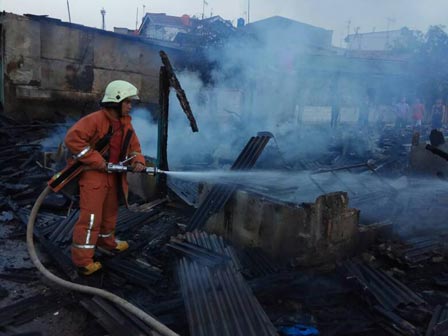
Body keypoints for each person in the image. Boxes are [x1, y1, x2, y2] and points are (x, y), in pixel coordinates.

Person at [64, 80, 146, 275]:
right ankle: (83, 260)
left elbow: (134, 147)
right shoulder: (95, 120)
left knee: (109, 213)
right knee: (91, 218)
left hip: (114, 175)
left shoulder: (126, 125)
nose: (130, 106)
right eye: (127, 102)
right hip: (94, 176)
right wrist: (96, 160)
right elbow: (73, 139)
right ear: (116, 101)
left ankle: (106, 242)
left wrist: (139, 161)